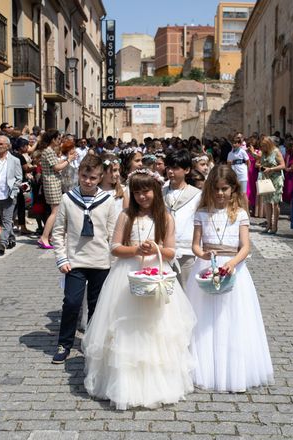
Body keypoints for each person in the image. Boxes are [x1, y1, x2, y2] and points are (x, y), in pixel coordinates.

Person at [82, 169, 196, 410]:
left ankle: (158, 383)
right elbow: (114, 247)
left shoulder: (165, 217)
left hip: (156, 275)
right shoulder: (125, 216)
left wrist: (154, 247)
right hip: (127, 276)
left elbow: (171, 252)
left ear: (155, 191)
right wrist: (135, 250)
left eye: (146, 191)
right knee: (126, 329)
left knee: (156, 329)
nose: (142, 197)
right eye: (136, 192)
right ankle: (124, 384)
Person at [186, 165, 274, 392]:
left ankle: (233, 369)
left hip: (233, 269)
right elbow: (195, 244)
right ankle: (205, 367)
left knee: (232, 319)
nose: (220, 194)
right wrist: (202, 254)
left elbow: (245, 247)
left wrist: (232, 263)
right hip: (207, 267)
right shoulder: (202, 213)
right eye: (216, 189)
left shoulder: (241, 214)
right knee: (205, 320)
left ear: (233, 188)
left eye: (225, 189)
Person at [51, 155, 118, 364]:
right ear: (79, 174)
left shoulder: (107, 200)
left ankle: (93, 343)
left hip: (101, 261)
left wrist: (114, 262)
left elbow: (113, 232)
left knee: (97, 306)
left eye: (93, 178)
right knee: (71, 303)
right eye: (84, 176)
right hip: (76, 261)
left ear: (100, 178)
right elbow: (58, 231)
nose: (88, 181)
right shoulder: (67, 198)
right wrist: (61, 258)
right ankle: (64, 343)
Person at [163, 149, 201, 287]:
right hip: (164, 250)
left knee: (186, 290)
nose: (170, 172)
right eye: (168, 168)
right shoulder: (161, 192)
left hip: (186, 251)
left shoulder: (197, 195)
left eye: (175, 168)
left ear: (186, 170)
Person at [38, 130, 69, 249]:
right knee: (55, 212)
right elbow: (56, 167)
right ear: (52, 139)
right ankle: (44, 237)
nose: (59, 141)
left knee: (55, 211)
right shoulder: (48, 151)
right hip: (52, 183)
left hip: (53, 182)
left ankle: (48, 236)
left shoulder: (49, 151)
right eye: (58, 138)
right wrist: (68, 160)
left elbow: (55, 164)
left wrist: (66, 159)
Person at [257, 136, 285, 234]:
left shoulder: (276, 151)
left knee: (275, 202)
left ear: (268, 144)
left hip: (276, 179)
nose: (262, 148)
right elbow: (261, 163)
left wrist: (271, 169)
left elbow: (283, 165)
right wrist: (260, 166)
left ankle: (275, 226)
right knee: (267, 202)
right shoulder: (264, 153)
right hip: (267, 179)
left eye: (264, 146)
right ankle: (268, 225)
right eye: (261, 146)